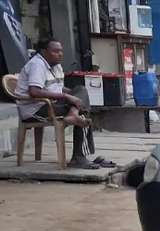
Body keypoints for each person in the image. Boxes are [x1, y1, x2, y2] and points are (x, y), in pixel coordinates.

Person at [14, 39, 98, 169]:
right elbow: (34, 91)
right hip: (35, 109)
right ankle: (78, 157)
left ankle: (73, 115)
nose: (60, 54)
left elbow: (58, 89)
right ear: (44, 52)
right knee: (83, 111)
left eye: (61, 51)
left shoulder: (56, 66)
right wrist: (67, 96)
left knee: (81, 92)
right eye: (55, 51)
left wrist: (75, 95)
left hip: (50, 105)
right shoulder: (37, 65)